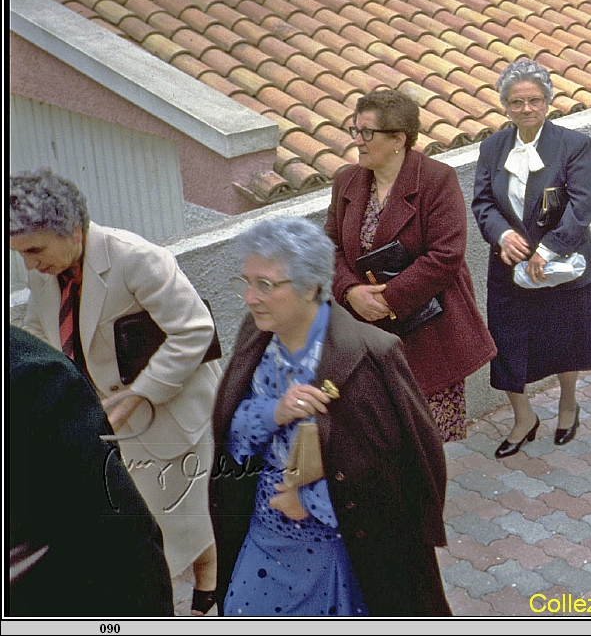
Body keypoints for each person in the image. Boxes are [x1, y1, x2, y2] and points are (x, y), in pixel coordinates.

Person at [209, 217, 451, 616]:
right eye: (246, 282)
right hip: (263, 534)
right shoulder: (256, 334)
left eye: (265, 285)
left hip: (336, 549)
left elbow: (411, 469)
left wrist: (308, 501)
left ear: (311, 287)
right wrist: (274, 411)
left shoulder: (370, 354)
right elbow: (231, 436)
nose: (250, 298)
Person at [10, 169, 221, 614]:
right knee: (154, 525)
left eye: (34, 250)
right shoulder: (46, 272)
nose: (28, 264)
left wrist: (138, 395)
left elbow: (195, 331)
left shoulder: (138, 258)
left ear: (71, 230)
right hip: (111, 422)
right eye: (19, 254)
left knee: (184, 517)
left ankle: (204, 595)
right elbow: (39, 333)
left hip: (169, 414)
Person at [325, 88, 496, 443]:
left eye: (366, 132)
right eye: (355, 130)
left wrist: (386, 299)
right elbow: (329, 247)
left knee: (426, 442)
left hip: (427, 333)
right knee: (377, 438)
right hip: (365, 334)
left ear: (398, 139)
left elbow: (446, 256)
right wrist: (350, 291)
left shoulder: (437, 179)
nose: (357, 140)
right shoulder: (347, 180)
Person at [472, 59, 591, 458]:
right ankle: (523, 417)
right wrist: (501, 235)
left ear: (548, 102)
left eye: (534, 100)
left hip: (561, 262)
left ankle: (568, 405)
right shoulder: (492, 146)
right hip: (508, 265)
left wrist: (548, 249)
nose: (526, 109)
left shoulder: (573, 144)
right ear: (505, 106)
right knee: (508, 342)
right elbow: (483, 202)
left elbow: (583, 205)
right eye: (516, 102)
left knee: (565, 338)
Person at [8, 324, 173, 617]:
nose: (32, 273)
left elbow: (125, 546)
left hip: (151, 422)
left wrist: (129, 402)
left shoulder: (36, 380)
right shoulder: (42, 288)